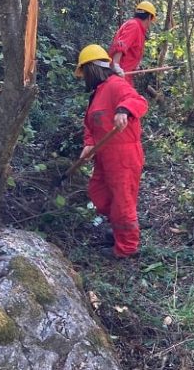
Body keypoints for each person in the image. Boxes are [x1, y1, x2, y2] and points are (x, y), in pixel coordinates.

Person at [75, 44, 149, 259]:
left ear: (92, 69)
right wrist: (89, 144)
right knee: (99, 192)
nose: (84, 78)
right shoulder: (98, 93)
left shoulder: (116, 84)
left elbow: (138, 101)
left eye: (84, 72)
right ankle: (118, 230)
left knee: (122, 201)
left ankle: (127, 247)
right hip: (104, 155)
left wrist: (123, 110)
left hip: (124, 156)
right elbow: (91, 125)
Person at [107, 1, 157, 84]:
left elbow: (131, 52)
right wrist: (116, 65)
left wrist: (136, 68)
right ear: (149, 17)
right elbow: (121, 45)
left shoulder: (138, 29)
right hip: (120, 76)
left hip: (125, 75)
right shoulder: (134, 26)